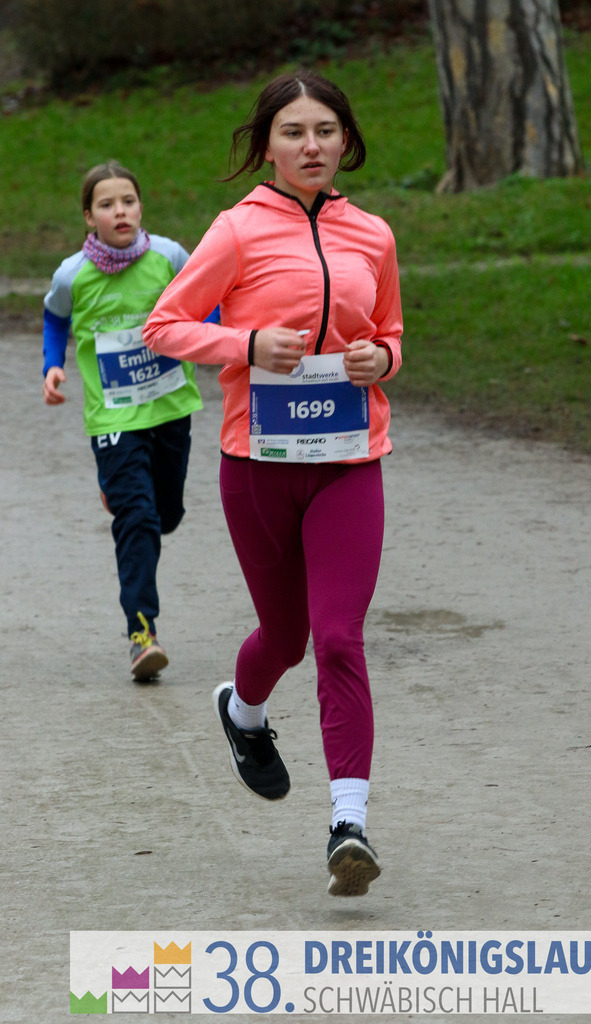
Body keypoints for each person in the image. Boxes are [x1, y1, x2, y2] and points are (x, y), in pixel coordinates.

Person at [143, 69, 403, 896]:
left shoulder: (372, 234)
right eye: (293, 132)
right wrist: (246, 345)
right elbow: (166, 325)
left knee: (336, 638)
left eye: (324, 130)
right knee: (283, 638)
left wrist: (381, 358)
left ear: (345, 139)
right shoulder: (237, 230)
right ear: (267, 145)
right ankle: (242, 711)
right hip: (256, 465)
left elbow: (392, 331)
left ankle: (348, 824)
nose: (311, 145)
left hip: (348, 461)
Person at [42, 160, 214, 681]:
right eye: (107, 204)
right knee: (137, 519)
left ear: (141, 207)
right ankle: (143, 635)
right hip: (112, 414)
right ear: (89, 217)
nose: (120, 211)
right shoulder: (72, 273)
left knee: (166, 515)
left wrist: (221, 339)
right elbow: (55, 316)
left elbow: (207, 305)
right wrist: (53, 364)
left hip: (170, 406)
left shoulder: (168, 256)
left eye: (128, 201)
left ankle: (122, 489)